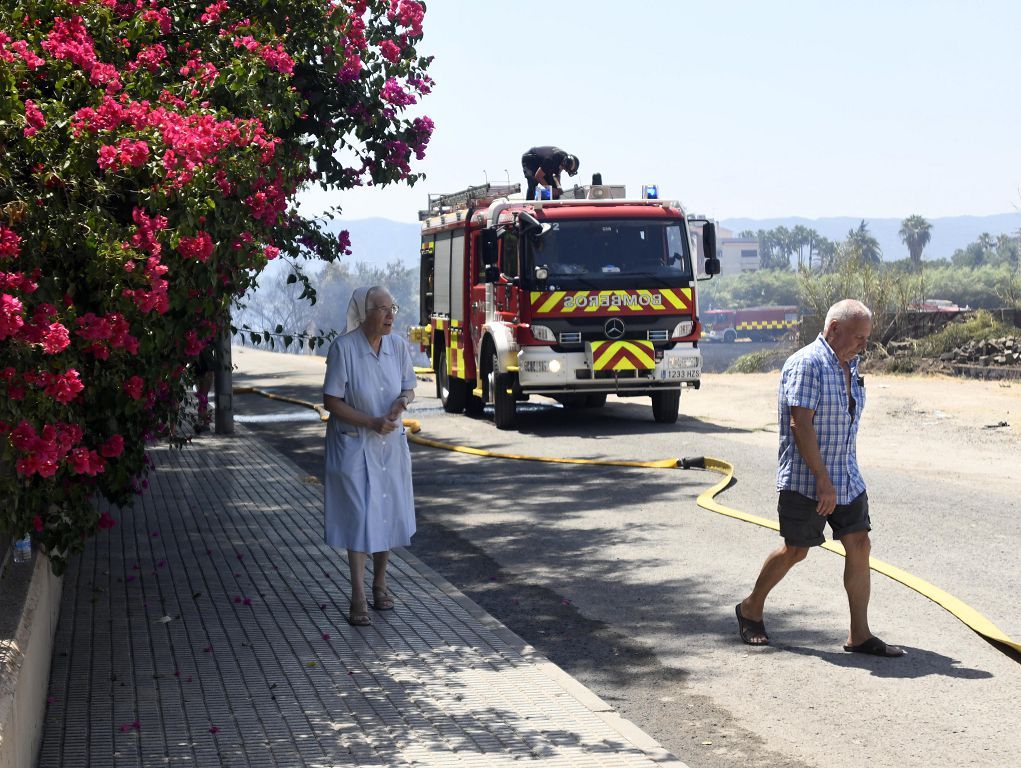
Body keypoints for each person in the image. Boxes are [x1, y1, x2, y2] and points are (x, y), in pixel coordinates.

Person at [735, 299, 905, 657]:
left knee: (859, 544)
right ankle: (751, 607)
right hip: (808, 481)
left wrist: (838, 479)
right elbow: (801, 424)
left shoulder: (851, 365)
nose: (864, 344)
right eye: (858, 337)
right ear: (833, 330)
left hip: (847, 478)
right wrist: (823, 482)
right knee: (796, 550)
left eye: (866, 338)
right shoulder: (806, 364)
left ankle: (859, 634)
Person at [323, 286, 417, 626]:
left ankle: (381, 583)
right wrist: (371, 422)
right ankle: (358, 594)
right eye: (381, 308)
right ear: (365, 314)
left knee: (386, 509)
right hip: (354, 442)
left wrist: (400, 403)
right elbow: (331, 401)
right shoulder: (343, 349)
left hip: (389, 444)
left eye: (392, 307)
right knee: (361, 514)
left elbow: (409, 387)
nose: (390, 314)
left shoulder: (398, 346)